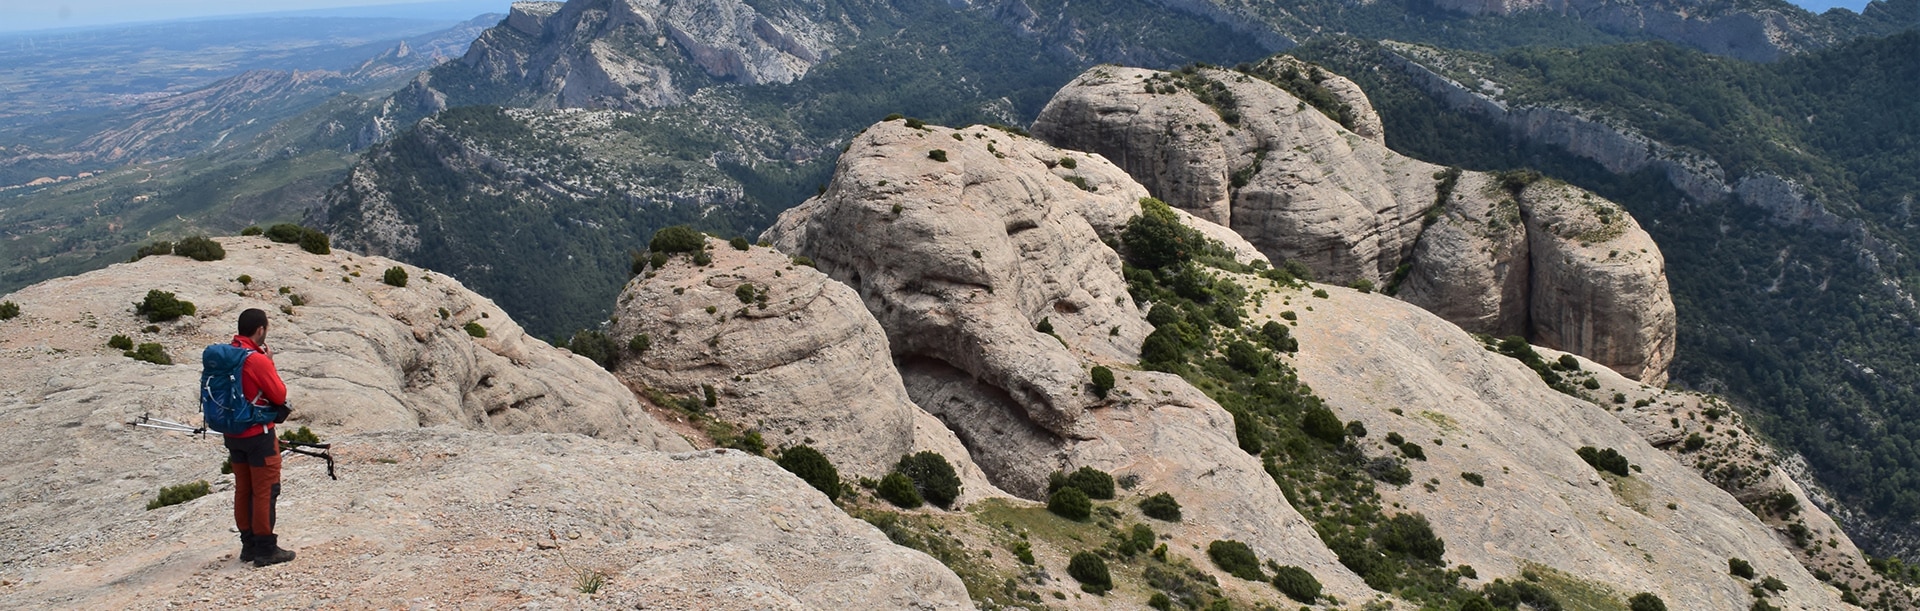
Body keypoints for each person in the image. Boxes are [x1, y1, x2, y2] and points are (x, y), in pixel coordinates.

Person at [226, 308, 296, 567]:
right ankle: (266, 549)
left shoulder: (229, 354)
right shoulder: (256, 359)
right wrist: (271, 362)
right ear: (260, 330)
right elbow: (278, 394)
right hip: (258, 434)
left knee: (244, 489)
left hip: (233, 434)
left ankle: (248, 546)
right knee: (265, 489)